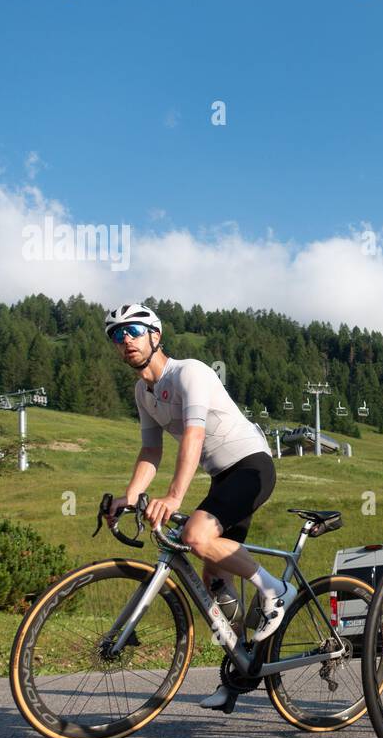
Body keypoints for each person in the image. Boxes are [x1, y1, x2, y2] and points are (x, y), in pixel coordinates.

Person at [104, 304, 290, 711]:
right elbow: (150, 450)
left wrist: (172, 498)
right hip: (223, 477)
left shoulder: (189, 373)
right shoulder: (143, 391)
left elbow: (192, 436)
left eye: (133, 331)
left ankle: (276, 589)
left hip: (251, 466)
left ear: (156, 335)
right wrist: (131, 496)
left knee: (195, 536)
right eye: (117, 336)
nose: (126, 341)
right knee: (214, 579)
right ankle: (242, 665)